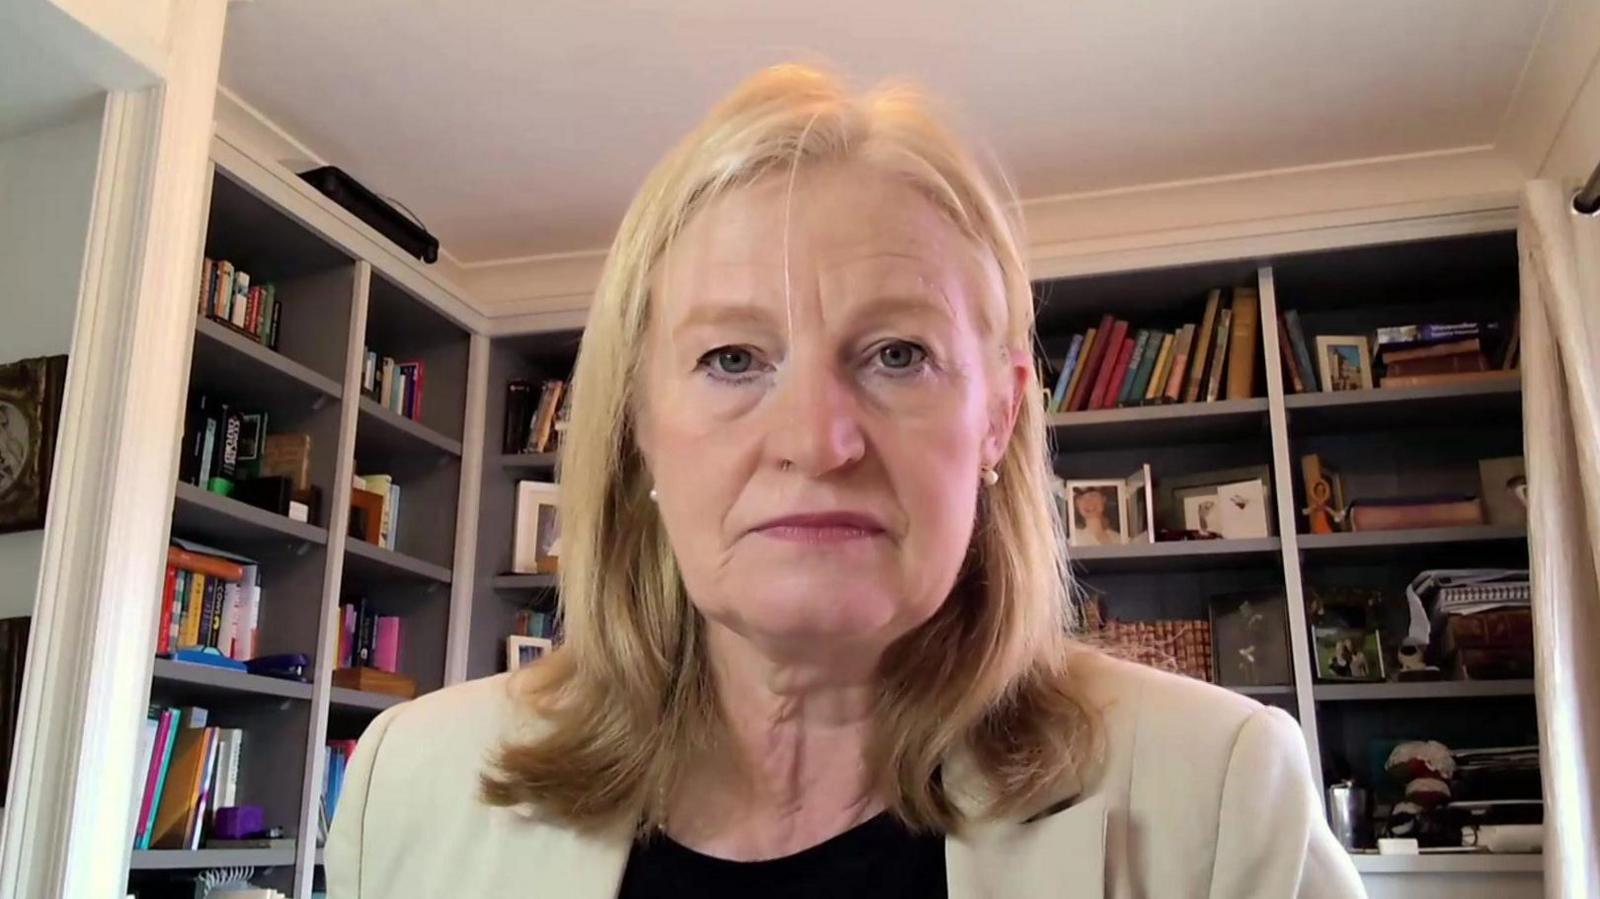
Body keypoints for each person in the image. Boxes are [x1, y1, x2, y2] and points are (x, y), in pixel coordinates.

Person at [326, 64, 1365, 898]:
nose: (818, 441)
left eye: (897, 355)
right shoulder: (405, 782)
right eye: (733, 358)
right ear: (639, 424)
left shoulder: (1225, 796)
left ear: (998, 412)